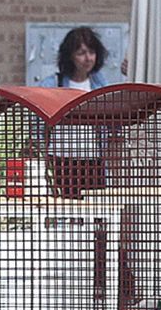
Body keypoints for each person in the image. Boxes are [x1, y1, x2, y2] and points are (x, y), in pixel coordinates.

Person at [37, 26, 114, 198]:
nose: (88, 58)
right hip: (59, 158)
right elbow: (37, 124)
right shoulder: (52, 84)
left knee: (94, 210)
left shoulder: (102, 85)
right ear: (69, 56)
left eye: (91, 52)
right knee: (62, 209)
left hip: (93, 159)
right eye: (81, 53)